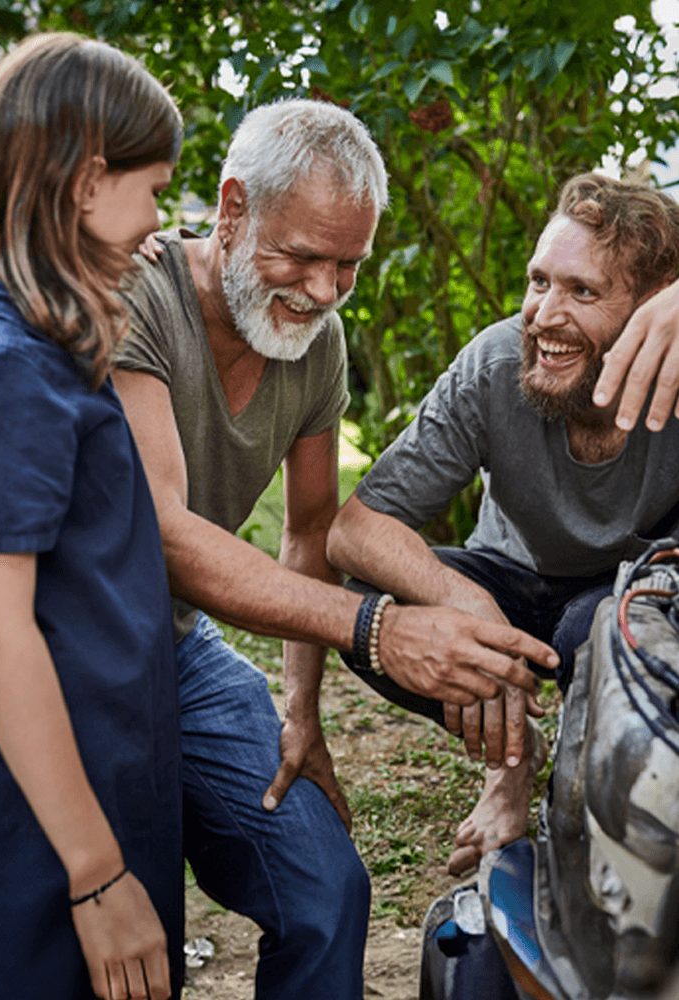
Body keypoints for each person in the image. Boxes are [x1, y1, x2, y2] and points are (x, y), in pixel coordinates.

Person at [112, 99, 555, 999]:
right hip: (86, 658)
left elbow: (311, 528)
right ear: (231, 208)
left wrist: (300, 709)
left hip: (184, 651)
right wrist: (378, 629)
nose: (322, 290)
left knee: (327, 888)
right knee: (135, 931)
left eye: (347, 264)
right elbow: (161, 532)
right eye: (302, 256)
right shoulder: (132, 295)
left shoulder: (318, 344)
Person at [326, 171, 679, 878]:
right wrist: (470, 612)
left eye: (582, 291)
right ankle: (512, 765)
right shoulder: (494, 363)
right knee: (373, 609)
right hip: (512, 580)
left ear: (651, 310)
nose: (545, 314)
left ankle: (587, 794)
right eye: (539, 281)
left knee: (603, 631)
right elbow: (354, 530)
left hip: (630, 592)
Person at [0, 33, 185, 1000]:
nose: (158, 220)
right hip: (36, 844)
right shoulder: (3, 374)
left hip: (93, 794)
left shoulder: (18, 341)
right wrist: (97, 875)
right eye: (153, 187)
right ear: (86, 184)